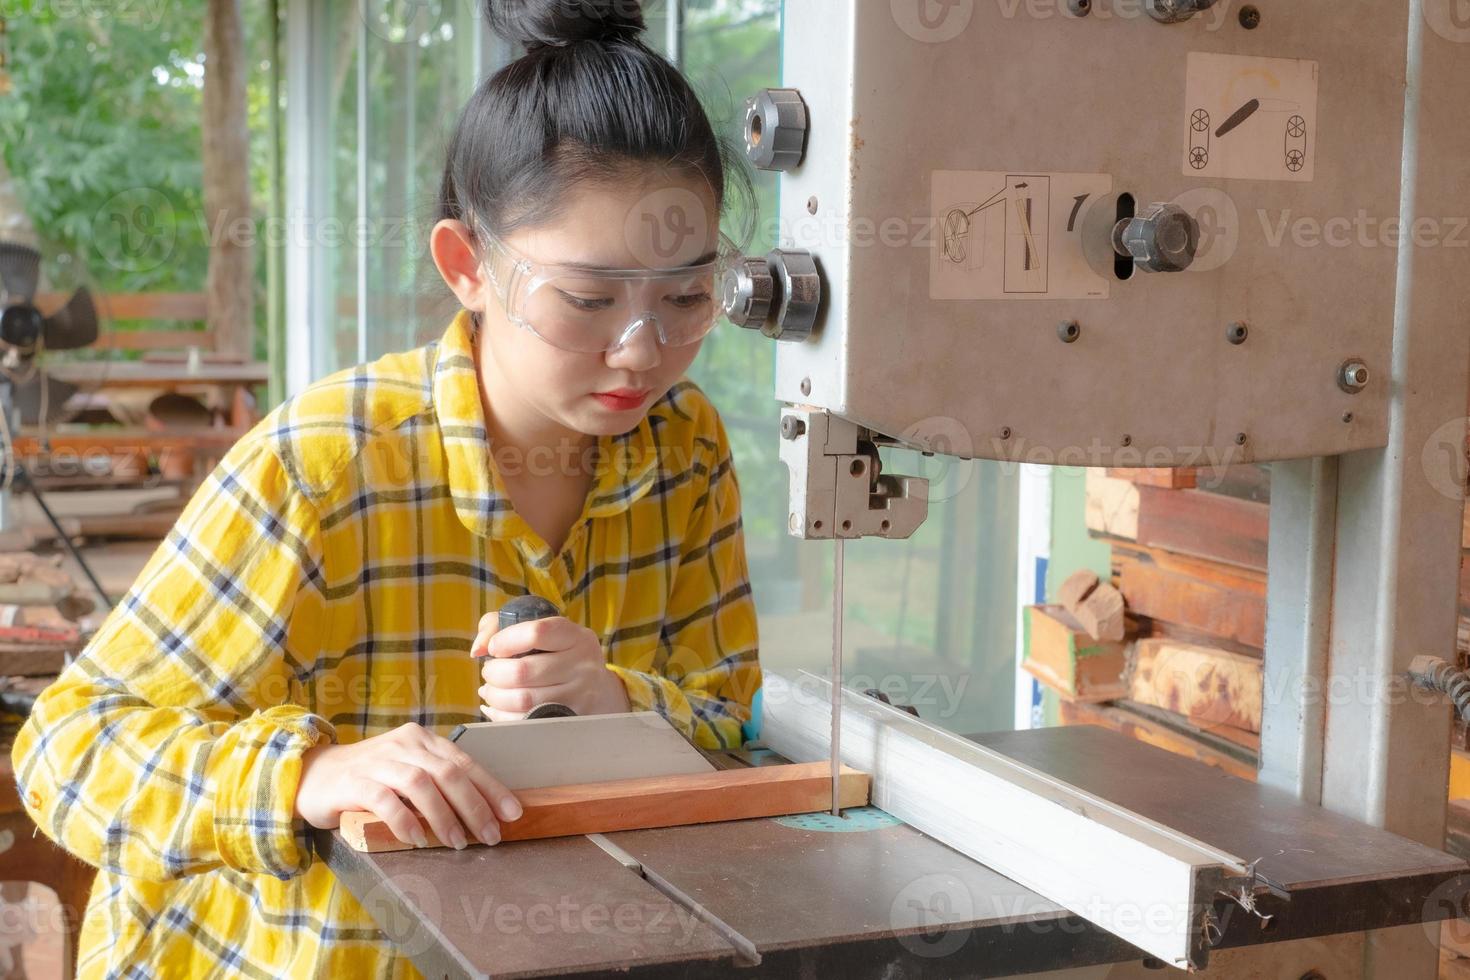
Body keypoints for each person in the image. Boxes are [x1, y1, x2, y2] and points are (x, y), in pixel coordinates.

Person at [11, 0, 761, 974]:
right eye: (587, 299)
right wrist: (312, 773)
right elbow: (65, 749)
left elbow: (736, 721)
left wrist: (617, 694)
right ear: (468, 267)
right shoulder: (325, 462)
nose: (643, 349)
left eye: (687, 296)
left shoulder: (686, 447)